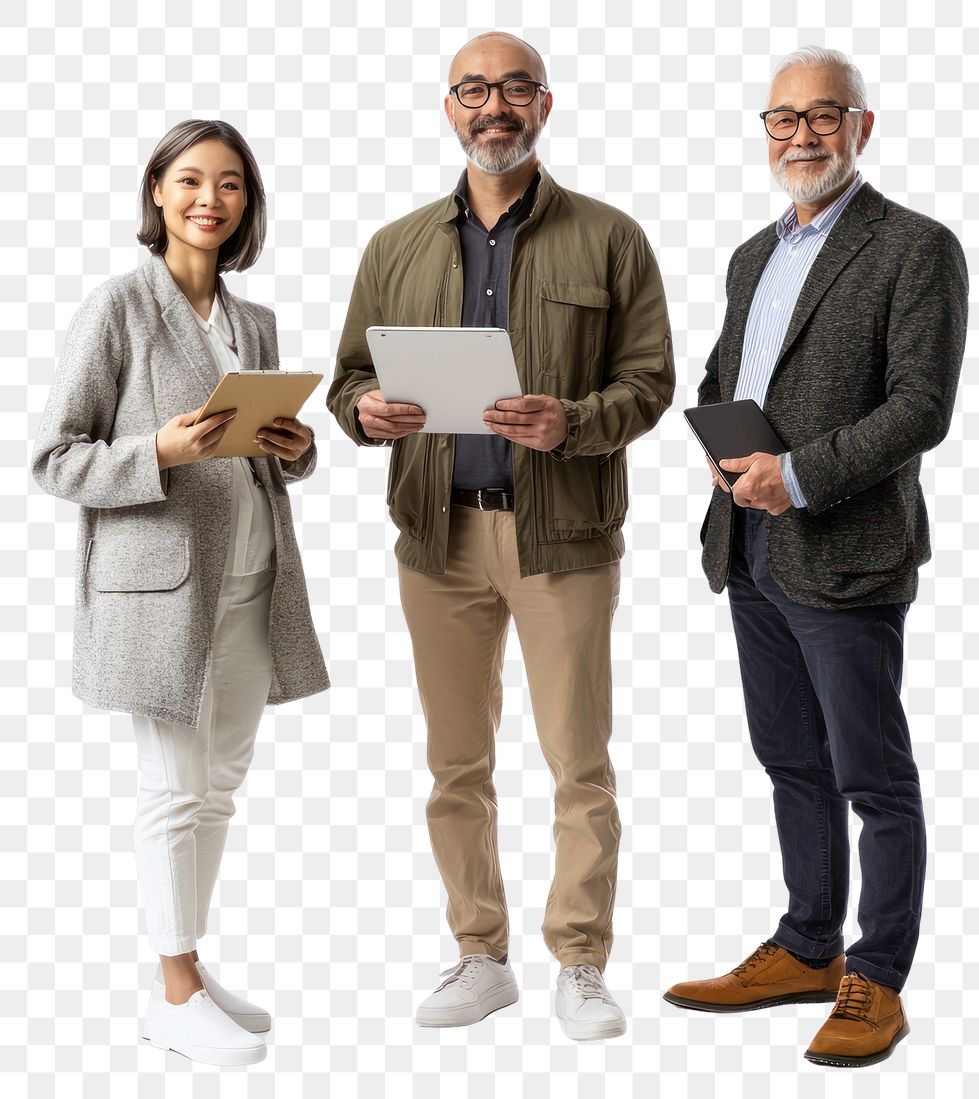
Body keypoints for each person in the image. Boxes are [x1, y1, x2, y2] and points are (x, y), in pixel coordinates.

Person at [328, 32, 673, 1040]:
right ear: (449, 108)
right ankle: (481, 954)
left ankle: (580, 959)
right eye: (475, 89)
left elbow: (648, 380)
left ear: (545, 105)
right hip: (436, 543)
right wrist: (366, 412)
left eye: (514, 89)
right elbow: (349, 373)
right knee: (455, 765)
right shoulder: (394, 245)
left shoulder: (609, 236)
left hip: (561, 538)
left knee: (579, 764)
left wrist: (577, 420)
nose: (495, 105)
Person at [663, 47, 968, 1067]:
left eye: (824, 115)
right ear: (764, 131)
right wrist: (723, 451)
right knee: (787, 757)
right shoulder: (753, 253)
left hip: (844, 552)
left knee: (869, 775)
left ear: (862, 128)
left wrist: (794, 474)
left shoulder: (914, 246)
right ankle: (804, 944)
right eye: (783, 118)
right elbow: (724, 367)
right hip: (746, 543)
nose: (802, 134)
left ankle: (874, 976)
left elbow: (919, 407)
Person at [31, 120, 329, 1066]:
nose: (211, 198)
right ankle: (172, 990)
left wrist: (298, 448)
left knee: (219, 789)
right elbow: (52, 456)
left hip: (250, 578)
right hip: (155, 593)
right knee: (171, 789)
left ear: (248, 203)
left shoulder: (254, 323)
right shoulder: (118, 307)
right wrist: (154, 452)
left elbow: (272, 452)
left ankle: (191, 964)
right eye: (191, 180)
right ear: (156, 192)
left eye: (231, 183)